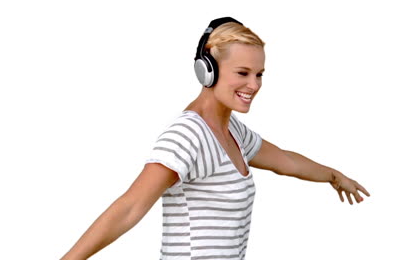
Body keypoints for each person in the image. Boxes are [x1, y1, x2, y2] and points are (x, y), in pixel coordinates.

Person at [61, 17, 370, 260]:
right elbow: (130, 207)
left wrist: (333, 175)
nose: (253, 84)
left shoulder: (233, 131)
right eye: (242, 72)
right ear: (207, 69)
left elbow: (285, 161)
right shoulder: (188, 135)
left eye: (259, 74)